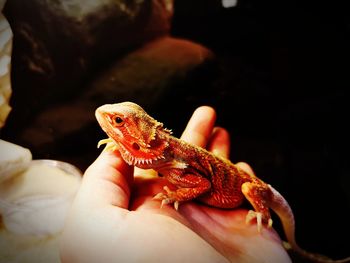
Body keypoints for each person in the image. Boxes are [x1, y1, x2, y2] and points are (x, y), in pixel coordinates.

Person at [60, 106, 291, 263]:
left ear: (141, 140)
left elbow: (202, 185)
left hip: (238, 191)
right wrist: (121, 142)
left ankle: (286, 237)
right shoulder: (163, 156)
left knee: (249, 188)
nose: (104, 114)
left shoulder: (176, 162)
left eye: (118, 121)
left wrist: (177, 196)